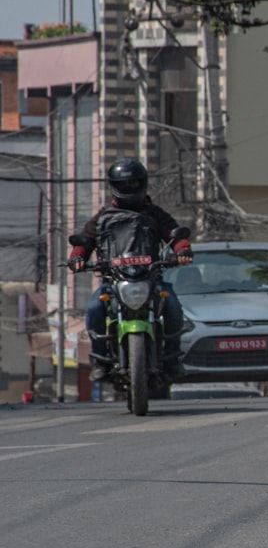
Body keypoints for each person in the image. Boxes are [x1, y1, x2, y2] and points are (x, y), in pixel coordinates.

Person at [68, 157, 193, 382]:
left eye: (132, 184)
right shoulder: (103, 217)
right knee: (95, 308)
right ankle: (99, 360)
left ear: (142, 183)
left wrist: (183, 250)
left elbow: (175, 234)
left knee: (173, 306)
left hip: (151, 280)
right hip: (114, 282)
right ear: (114, 186)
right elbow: (84, 241)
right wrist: (77, 258)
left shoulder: (154, 213)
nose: (128, 188)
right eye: (123, 184)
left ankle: (173, 359)